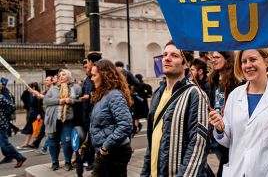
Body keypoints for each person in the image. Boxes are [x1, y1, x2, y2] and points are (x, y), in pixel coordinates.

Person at [141, 40, 209, 177]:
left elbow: (197, 145)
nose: (167, 58)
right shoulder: (157, 93)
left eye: (174, 55)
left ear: (186, 64)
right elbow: (152, 141)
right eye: (165, 54)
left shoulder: (195, 94)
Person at [89, 59, 133, 177]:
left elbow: (125, 124)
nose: (91, 79)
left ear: (104, 75)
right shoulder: (103, 94)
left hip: (115, 151)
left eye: (94, 75)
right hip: (105, 151)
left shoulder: (114, 95)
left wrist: (105, 146)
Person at [208, 51, 239, 177]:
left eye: (217, 57)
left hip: (232, 133)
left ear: (227, 59)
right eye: (212, 58)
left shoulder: (235, 80)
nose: (213, 60)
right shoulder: (214, 80)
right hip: (218, 130)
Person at [44, 69, 82, 171]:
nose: (61, 76)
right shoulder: (53, 89)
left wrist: (72, 101)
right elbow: (46, 100)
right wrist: (60, 101)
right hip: (54, 119)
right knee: (52, 140)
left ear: (69, 76)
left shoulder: (76, 88)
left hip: (68, 118)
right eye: (59, 75)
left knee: (67, 140)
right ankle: (54, 162)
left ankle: (67, 162)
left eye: (63, 74)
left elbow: (80, 100)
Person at [0, 81, 27, 168]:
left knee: (5, 144)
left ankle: (20, 157)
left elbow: (12, 106)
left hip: (1, 124)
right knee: (4, 144)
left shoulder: (0, 97)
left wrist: (3, 113)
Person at [19, 82, 44, 149]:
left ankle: (37, 144)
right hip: (32, 113)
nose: (27, 89)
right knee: (29, 128)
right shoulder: (31, 94)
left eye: (29, 87)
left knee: (38, 129)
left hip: (36, 113)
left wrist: (39, 114)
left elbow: (40, 105)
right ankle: (26, 143)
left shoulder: (37, 95)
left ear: (33, 88)